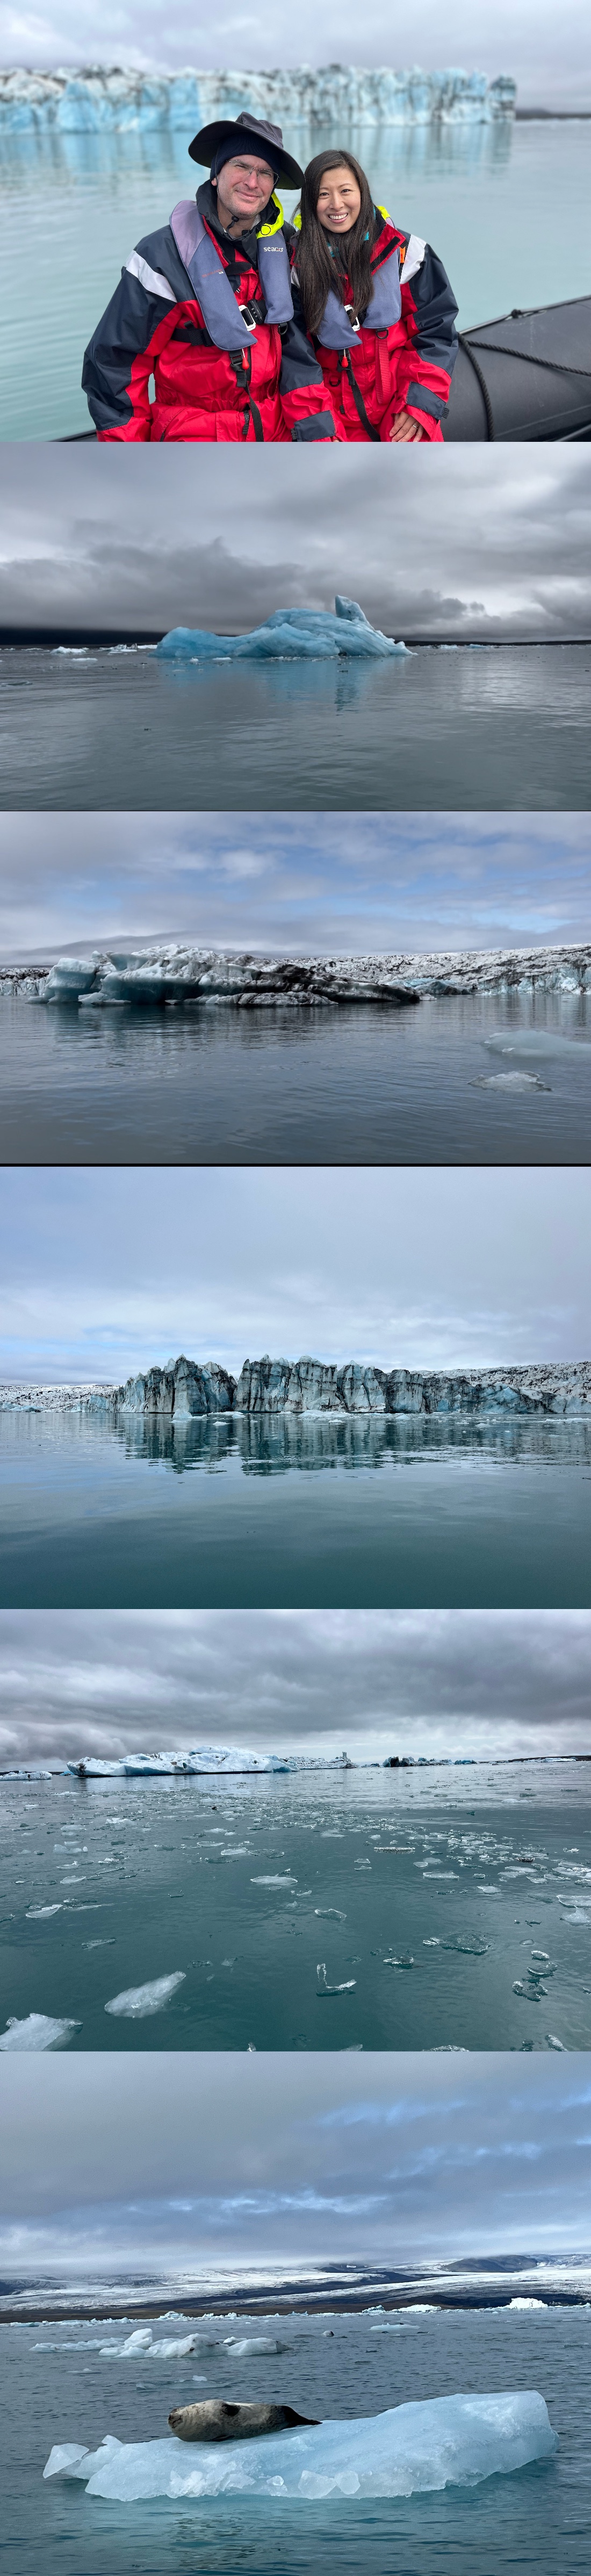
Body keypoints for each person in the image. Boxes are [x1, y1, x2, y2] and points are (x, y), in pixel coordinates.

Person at [82, 113, 338, 442]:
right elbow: (114, 366)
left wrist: (317, 433)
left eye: (264, 173)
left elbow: (299, 354)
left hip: (275, 433)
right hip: (193, 438)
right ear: (216, 174)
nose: (251, 181)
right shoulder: (162, 256)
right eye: (241, 166)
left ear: (274, 185)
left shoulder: (289, 248)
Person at [291, 148, 458, 442]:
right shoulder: (294, 269)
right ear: (309, 202)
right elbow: (296, 360)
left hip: (401, 404)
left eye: (345, 191)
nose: (337, 204)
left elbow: (436, 331)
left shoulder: (407, 253)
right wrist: (319, 429)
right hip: (333, 414)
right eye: (323, 194)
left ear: (362, 193)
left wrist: (420, 404)